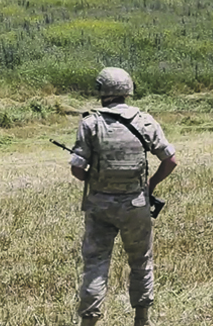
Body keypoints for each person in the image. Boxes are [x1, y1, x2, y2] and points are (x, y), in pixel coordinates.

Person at [69, 67, 178, 326]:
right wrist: (149, 186)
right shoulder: (145, 120)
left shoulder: (91, 123)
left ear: (101, 91)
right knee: (141, 261)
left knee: (96, 263)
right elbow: (171, 161)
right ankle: (142, 319)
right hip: (136, 204)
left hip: (99, 205)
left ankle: (90, 321)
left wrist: (95, 179)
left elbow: (76, 168)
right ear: (127, 90)